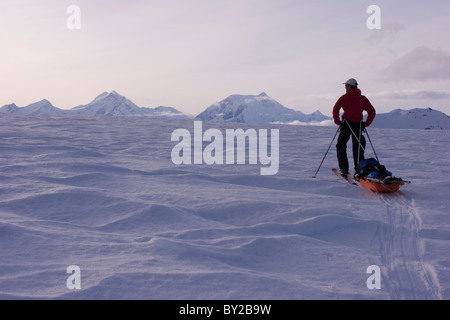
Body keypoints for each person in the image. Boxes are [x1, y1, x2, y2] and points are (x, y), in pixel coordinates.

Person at [332, 78, 376, 177]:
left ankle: (344, 169)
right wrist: (366, 124)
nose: (345, 88)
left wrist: (338, 121)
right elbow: (372, 111)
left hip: (346, 125)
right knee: (358, 147)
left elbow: (335, 109)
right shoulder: (363, 98)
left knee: (341, 146)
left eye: (346, 86)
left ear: (349, 86)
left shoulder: (344, 97)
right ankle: (359, 170)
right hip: (358, 126)